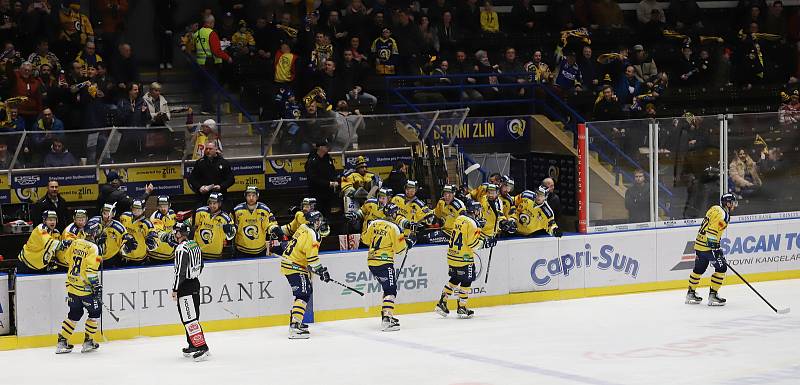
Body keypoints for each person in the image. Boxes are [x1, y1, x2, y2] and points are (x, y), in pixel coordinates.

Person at [434, 200, 492, 318]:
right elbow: (473, 244)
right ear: (474, 211)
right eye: (478, 210)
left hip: (452, 255)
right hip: (464, 258)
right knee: (467, 280)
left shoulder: (459, 218)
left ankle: (442, 302)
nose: (479, 212)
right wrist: (486, 243)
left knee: (455, 278)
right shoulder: (473, 224)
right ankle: (462, 307)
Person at [281, 210, 332, 339]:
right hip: (294, 266)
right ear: (315, 222)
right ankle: (294, 326)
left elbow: (306, 256)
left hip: (292, 264)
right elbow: (313, 260)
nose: (320, 222)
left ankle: (296, 321)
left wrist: (319, 271)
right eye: (319, 220)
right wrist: (322, 271)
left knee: (306, 291)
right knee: (303, 293)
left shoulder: (303, 227)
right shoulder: (312, 235)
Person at [362, 203, 412, 331]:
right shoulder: (395, 228)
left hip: (371, 261)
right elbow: (400, 250)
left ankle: (386, 313)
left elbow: (365, 240)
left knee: (387, 287)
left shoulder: (374, 223)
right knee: (391, 290)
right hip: (384, 262)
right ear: (395, 214)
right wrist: (409, 242)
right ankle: (387, 319)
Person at [55, 221, 103, 354]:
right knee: (94, 313)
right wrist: (96, 285)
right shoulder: (94, 248)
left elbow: (66, 258)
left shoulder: (75, 242)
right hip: (85, 288)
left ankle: (62, 342)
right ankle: (88, 342)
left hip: (72, 286)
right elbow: (90, 270)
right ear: (94, 233)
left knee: (75, 313)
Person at [167, 222, 210, 361]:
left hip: (185, 286)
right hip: (195, 283)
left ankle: (202, 347)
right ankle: (192, 344)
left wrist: (175, 289)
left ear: (179, 233)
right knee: (192, 316)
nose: (174, 234)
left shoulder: (181, 249)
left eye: (175, 232)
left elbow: (180, 273)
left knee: (189, 318)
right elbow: (202, 265)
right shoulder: (194, 244)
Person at [686, 193, 738, 306]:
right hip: (708, 247)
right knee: (722, 268)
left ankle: (690, 293)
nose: (734, 205)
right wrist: (715, 249)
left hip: (699, 244)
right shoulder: (724, 216)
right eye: (733, 203)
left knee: (698, 269)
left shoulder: (714, 208)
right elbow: (712, 231)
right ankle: (713, 296)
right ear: (727, 203)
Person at [347, 188, 415, 248]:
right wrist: (355, 215)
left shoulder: (391, 209)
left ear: (389, 199)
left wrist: (407, 224)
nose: (381, 200)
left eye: (383, 198)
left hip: (381, 243)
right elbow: (362, 211)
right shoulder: (370, 203)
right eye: (380, 197)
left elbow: (398, 218)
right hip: (365, 240)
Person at [192, 14, 233, 115]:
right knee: (210, 86)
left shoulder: (197, 33)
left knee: (205, 87)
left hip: (200, 64)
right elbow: (216, 51)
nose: (214, 24)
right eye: (213, 22)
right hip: (210, 64)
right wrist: (227, 57)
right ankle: (208, 108)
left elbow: (193, 49)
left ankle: (205, 107)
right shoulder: (211, 33)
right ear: (210, 23)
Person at [233, 186, 284, 258]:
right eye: (249, 195)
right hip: (241, 251)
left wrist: (274, 228)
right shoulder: (237, 210)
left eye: (253, 195)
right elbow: (231, 224)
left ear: (257, 196)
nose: (251, 198)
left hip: (260, 251)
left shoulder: (264, 209)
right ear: (245, 196)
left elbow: (270, 223)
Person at [190, 192, 235, 259]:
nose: (212, 205)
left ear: (219, 204)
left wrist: (229, 230)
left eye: (214, 203)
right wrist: (185, 225)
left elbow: (232, 234)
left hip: (215, 254)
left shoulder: (226, 218)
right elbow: (192, 224)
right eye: (210, 203)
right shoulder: (200, 212)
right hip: (198, 253)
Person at [304, 140, 338, 217]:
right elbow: (312, 178)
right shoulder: (312, 161)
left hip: (328, 193)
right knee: (317, 215)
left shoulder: (328, 159)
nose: (327, 148)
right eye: (325, 146)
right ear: (320, 147)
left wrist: (334, 181)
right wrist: (327, 183)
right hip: (316, 193)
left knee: (327, 214)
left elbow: (333, 171)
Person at [119, 199, 158, 264]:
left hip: (139, 259)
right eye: (134, 208)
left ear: (143, 209)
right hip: (123, 257)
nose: (136, 211)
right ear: (131, 208)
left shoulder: (147, 224)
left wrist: (152, 243)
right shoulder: (124, 216)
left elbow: (154, 242)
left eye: (139, 209)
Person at [149, 196, 176, 263]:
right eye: (161, 205)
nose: (163, 208)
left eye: (165, 205)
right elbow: (158, 232)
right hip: (157, 255)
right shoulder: (156, 217)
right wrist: (167, 236)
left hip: (170, 254)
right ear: (157, 206)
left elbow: (174, 226)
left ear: (169, 205)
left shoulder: (172, 213)